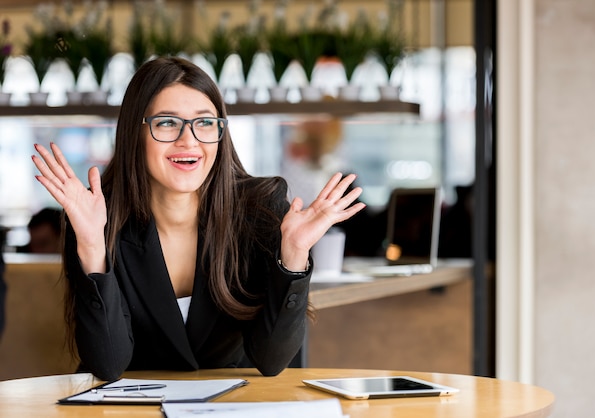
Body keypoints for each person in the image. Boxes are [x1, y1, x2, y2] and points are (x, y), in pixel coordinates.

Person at [31, 56, 365, 381]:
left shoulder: (260, 212)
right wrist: (92, 246)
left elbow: (273, 361)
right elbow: (108, 364)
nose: (188, 140)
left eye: (205, 122)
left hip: (229, 408)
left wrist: (293, 254)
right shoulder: (98, 219)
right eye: (166, 122)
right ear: (136, 132)